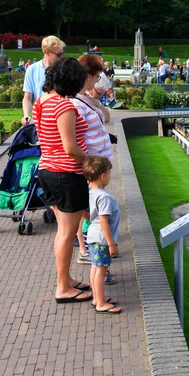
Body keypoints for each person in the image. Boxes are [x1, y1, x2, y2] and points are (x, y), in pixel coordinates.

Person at [33, 57, 91, 304]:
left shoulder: (42, 101)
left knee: (63, 232)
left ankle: (66, 281)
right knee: (67, 234)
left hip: (48, 171)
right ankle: (62, 288)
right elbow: (70, 148)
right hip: (66, 174)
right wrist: (92, 159)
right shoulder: (63, 106)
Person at [72, 55, 114, 265]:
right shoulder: (75, 102)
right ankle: (87, 249)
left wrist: (95, 101)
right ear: (88, 76)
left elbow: (105, 117)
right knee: (89, 211)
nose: (97, 81)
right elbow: (76, 139)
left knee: (94, 209)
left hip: (98, 164)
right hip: (91, 165)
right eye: (96, 77)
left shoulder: (84, 99)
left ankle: (93, 246)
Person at [83, 156, 121, 314]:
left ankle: (96, 298)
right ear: (103, 176)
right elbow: (104, 222)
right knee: (101, 270)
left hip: (92, 236)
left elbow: (85, 214)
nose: (110, 177)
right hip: (101, 239)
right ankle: (101, 303)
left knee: (95, 268)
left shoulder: (90, 193)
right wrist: (111, 243)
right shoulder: (104, 197)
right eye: (110, 173)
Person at [22, 36, 66, 125]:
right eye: (59, 54)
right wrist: (26, 115)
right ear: (47, 53)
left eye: (62, 53)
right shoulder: (32, 69)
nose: (62, 57)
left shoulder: (65, 68)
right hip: (41, 119)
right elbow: (27, 97)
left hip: (61, 116)